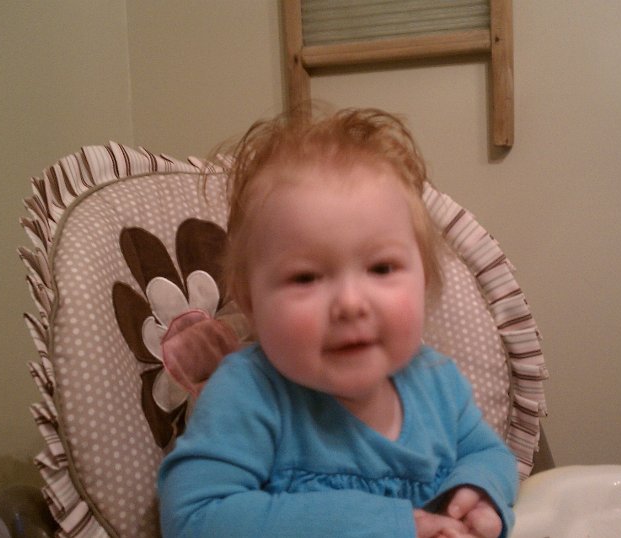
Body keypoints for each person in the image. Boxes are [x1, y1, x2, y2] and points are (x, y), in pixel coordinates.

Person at [157, 106, 519, 538]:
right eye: (306, 277)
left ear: (423, 281)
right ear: (251, 303)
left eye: (381, 268)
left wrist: (478, 491)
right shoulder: (247, 395)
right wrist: (381, 524)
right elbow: (194, 517)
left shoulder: (439, 383)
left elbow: (488, 454)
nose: (350, 303)